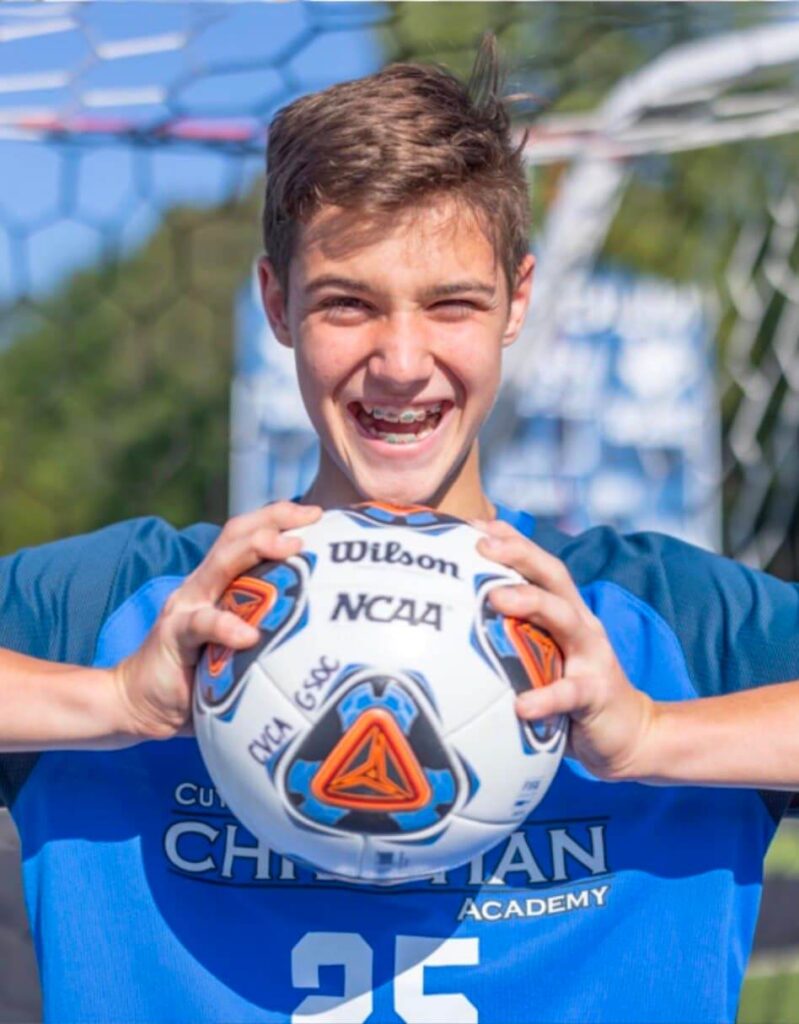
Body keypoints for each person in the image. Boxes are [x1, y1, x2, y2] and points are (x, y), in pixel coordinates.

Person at [1, 38, 798, 1024]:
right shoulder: (134, 603)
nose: (401, 361)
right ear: (276, 302)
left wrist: (654, 734)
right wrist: (109, 698)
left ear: (518, 301)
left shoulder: (657, 620)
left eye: (452, 304)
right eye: (349, 304)